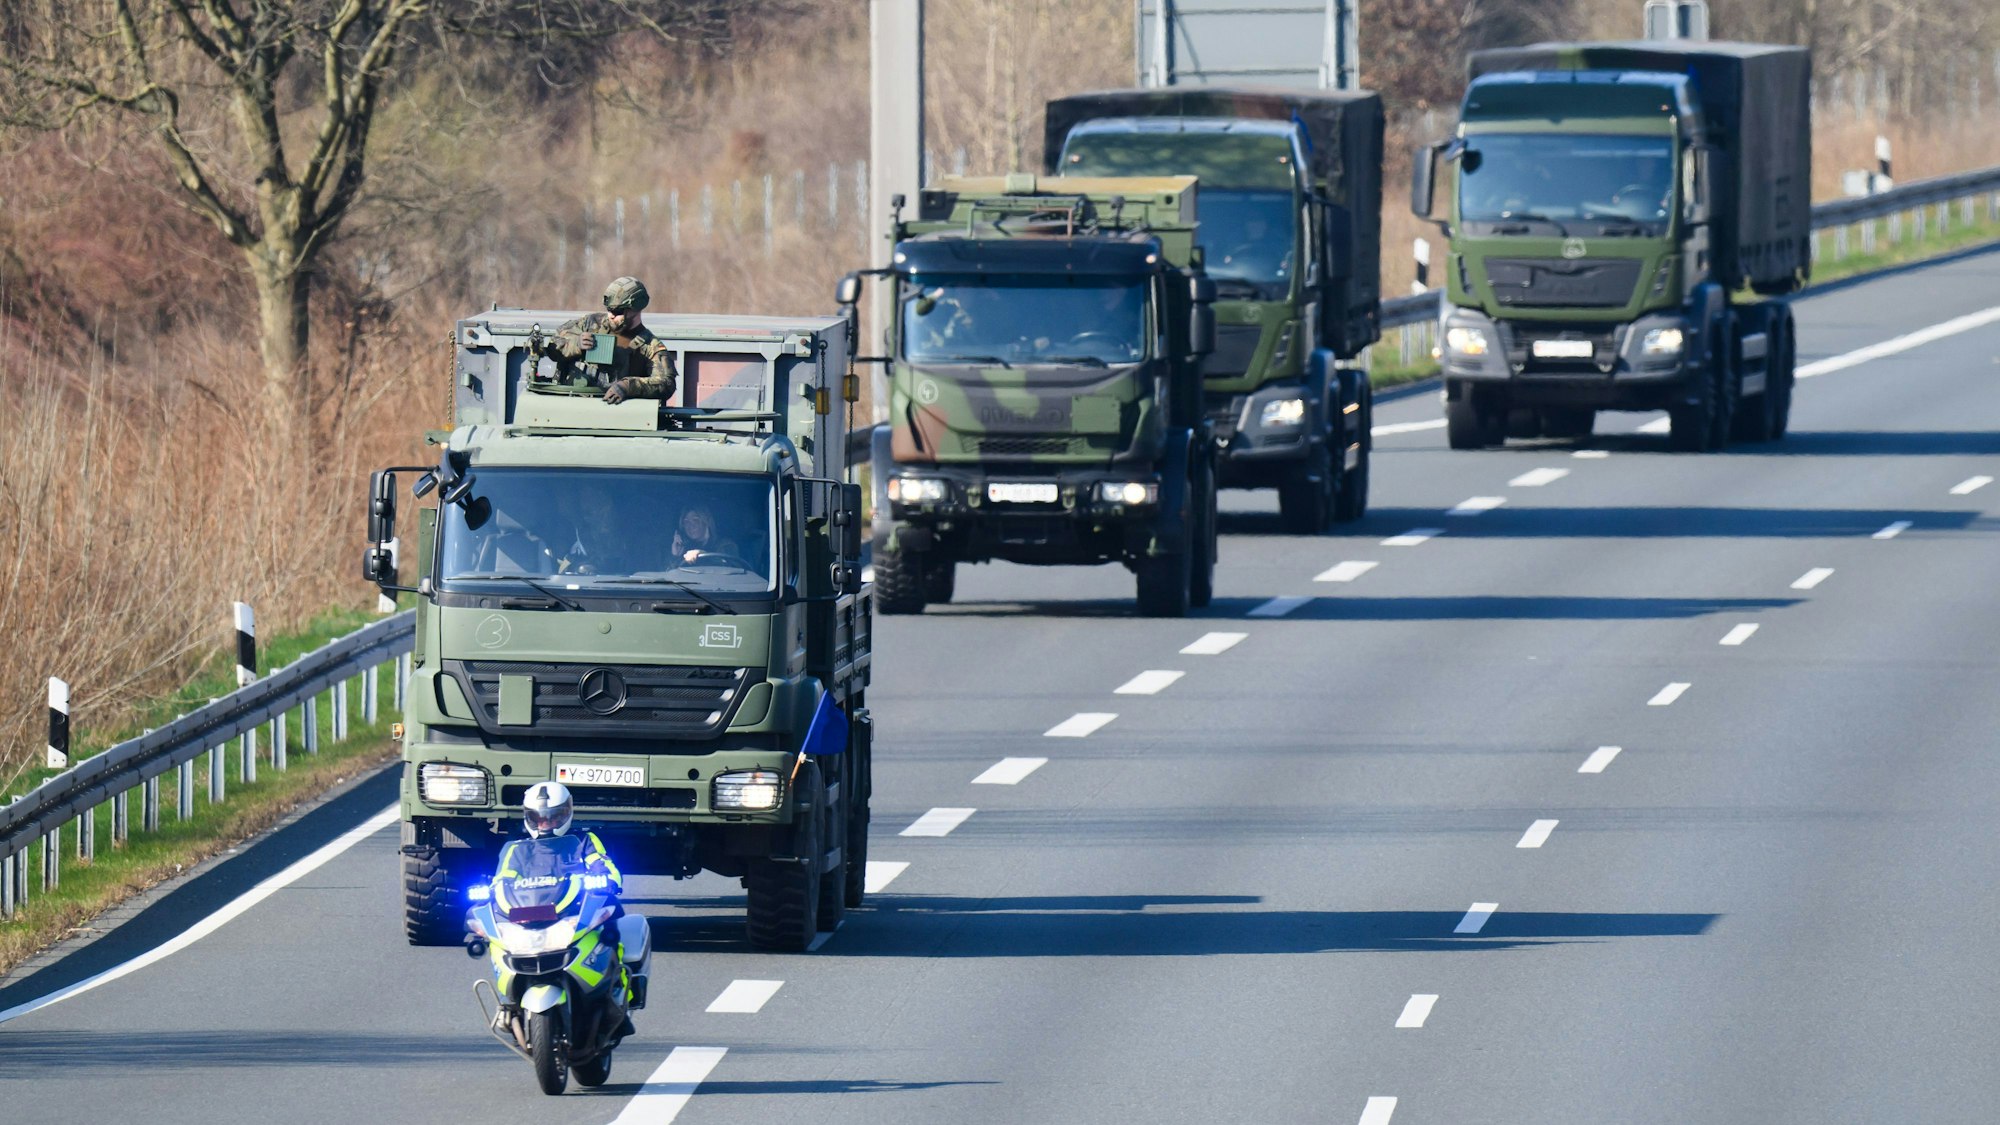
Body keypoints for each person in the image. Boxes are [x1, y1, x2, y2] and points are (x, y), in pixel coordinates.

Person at [504, 782, 634, 1035]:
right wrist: (492, 892)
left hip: (575, 911)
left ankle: (619, 997)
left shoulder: (585, 841)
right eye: (538, 818)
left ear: (566, 814)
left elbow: (604, 865)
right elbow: (503, 879)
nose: (545, 823)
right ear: (528, 818)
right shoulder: (518, 850)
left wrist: (606, 878)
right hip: (532, 913)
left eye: (553, 817)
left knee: (611, 934)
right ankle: (509, 1002)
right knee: (498, 940)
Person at [547, 277, 680, 404]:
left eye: (618, 311)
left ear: (635, 308)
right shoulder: (590, 324)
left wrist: (628, 386)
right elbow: (553, 347)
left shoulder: (649, 345)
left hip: (613, 412)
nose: (611, 315)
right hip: (570, 406)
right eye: (609, 309)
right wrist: (575, 344)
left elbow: (666, 383)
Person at [672, 504, 741, 565]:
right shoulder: (686, 549)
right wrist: (675, 556)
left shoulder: (726, 545)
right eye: (686, 522)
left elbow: (732, 567)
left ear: (706, 521)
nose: (691, 526)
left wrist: (703, 555)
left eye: (696, 520)